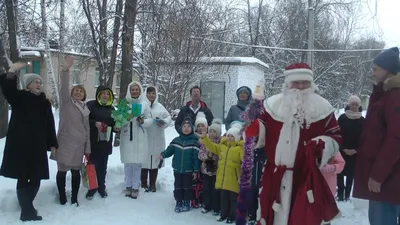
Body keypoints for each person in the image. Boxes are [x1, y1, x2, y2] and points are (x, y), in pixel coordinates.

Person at [244, 63, 342, 225]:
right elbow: (258, 129)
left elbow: (335, 135)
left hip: (306, 177)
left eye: (305, 82)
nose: (300, 87)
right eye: (296, 82)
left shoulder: (323, 108)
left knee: (304, 218)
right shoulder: (271, 105)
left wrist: (322, 145)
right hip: (275, 175)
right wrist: (251, 128)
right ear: (287, 83)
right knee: (272, 217)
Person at [0, 61, 58, 221]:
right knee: (23, 176)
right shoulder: (19, 98)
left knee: (37, 177)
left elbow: (50, 125)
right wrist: (11, 71)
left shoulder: (44, 103)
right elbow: (7, 89)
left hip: (37, 147)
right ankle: (27, 210)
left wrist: (52, 143)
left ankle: (26, 206)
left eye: (40, 82)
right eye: (35, 82)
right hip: (20, 145)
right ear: (28, 85)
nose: (39, 84)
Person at [353, 47, 400, 225]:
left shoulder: (394, 96)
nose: (372, 73)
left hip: (389, 179)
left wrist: (378, 175)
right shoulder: (385, 94)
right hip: (387, 179)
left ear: (388, 70)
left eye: (376, 69)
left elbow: (396, 138)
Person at [51, 56, 91, 206]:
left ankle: (74, 197)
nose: (78, 92)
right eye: (76, 90)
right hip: (65, 142)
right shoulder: (66, 103)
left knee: (75, 172)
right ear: (72, 93)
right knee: (61, 171)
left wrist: (88, 149)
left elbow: (86, 129)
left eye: (81, 91)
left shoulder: (85, 109)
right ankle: (62, 196)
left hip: (79, 145)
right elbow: (64, 87)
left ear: (84, 95)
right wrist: (66, 70)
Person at [198, 123, 244, 224]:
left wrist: (242, 176)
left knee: (233, 199)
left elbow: (244, 162)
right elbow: (211, 146)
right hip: (222, 178)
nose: (230, 138)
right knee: (224, 198)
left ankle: (232, 216)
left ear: (237, 137)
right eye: (229, 136)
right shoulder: (222, 147)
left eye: (233, 136)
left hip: (233, 179)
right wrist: (205, 138)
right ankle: (223, 214)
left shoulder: (240, 149)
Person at [119, 81, 152, 199]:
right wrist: (127, 118)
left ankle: (135, 186)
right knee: (128, 163)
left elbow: (150, 120)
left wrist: (143, 121)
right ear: (129, 90)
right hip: (127, 136)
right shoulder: (124, 103)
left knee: (137, 163)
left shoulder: (144, 104)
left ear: (140, 91)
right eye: (132, 89)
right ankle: (127, 185)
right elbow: (118, 120)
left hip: (140, 136)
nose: (134, 91)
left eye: (136, 89)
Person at [159, 119, 200, 213]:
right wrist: (163, 155)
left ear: (192, 129)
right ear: (181, 128)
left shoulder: (194, 142)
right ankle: (179, 201)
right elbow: (169, 150)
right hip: (177, 169)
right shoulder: (176, 140)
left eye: (188, 127)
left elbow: (195, 158)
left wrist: (196, 170)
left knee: (187, 186)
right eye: (184, 127)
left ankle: (186, 201)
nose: (186, 128)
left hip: (188, 170)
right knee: (178, 186)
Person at [85, 86, 117, 199]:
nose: (105, 96)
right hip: (92, 142)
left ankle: (101, 187)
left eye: (107, 94)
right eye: (103, 93)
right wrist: (94, 123)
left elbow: (114, 124)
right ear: (98, 95)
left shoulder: (112, 109)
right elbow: (84, 119)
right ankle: (92, 188)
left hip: (105, 142)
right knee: (91, 166)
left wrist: (116, 128)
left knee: (103, 166)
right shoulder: (90, 105)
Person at [141, 86, 171, 192]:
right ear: (146, 94)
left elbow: (168, 118)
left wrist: (163, 122)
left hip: (157, 138)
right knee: (144, 161)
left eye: (153, 93)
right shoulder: (142, 106)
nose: (151, 95)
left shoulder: (160, 107)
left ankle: (152, 183)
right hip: (144, 137)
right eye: (149, 93)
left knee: (155, 161)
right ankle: (143, 183)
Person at [337, 95, 364, 202]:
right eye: (352, 104)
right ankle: (340, 194)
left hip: (355, 152)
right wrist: (343, 148)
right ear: (348, 105)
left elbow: (365, 137)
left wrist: (356, 150)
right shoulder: (342, 118)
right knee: (339, 173)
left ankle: (347, 194)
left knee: (350, 174)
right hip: (342, 150)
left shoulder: (363, 121)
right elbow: (337, 134)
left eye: (356, 104)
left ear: (359, 106)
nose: (354, 106)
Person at [198, 116, 222, 214]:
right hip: (205, 170)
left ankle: (216, 207)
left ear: (218, 133)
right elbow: (200, 153)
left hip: (216, 170)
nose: (212, 133)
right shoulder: (204, 142)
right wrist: (204, 157)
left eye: (214, 132)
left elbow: (221, 155)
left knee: (215, 190)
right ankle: (206, 205)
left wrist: (213, 158)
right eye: (210, 131)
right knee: (206, 189)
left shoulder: (221, 143)